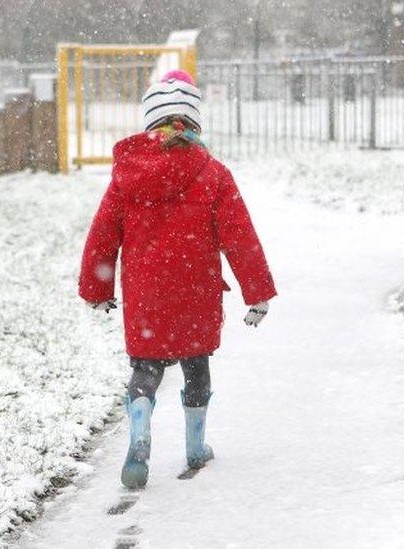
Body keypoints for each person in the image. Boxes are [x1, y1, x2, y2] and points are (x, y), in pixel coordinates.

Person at [79, 70, 277, 489]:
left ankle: (139, 421)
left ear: (150, 121)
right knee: (196, 365)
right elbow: (240, 237)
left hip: (146, 291)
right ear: (194, 121)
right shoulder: (213, 173)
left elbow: (103, 234)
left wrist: (97, 290)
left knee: (146, 368)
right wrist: (256, 293)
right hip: (196, 287)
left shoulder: (127, 175)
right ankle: (194, 446)